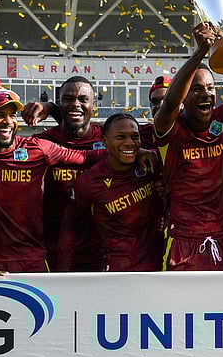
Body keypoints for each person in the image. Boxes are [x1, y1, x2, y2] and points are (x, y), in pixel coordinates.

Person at [0, 87, 108, 273]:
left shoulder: (38, 149)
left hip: (31, 261)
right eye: (0, 115)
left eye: (12, 115)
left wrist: (136, 153)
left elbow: (87, 157)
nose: (8, 122)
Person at [154, 18, 223, 271]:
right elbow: (170, 103)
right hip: (182, 237)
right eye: (196, 89)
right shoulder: (169, 128)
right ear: (184, 95)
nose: (206, 94)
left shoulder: (222, 121)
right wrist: (201, 51)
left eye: (211, 87)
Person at [58, 113, 164, 271]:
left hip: (157, 267)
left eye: (135, 137)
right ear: (105, 141)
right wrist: (63, 273)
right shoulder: (90, 181)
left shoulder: (151, 164)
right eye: (121, 137)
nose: (130, 143)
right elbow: (69, 225)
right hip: (115, 272)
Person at [36, 76, 107, 271]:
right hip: (53, 249)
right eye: (68, 99)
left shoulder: (111, 138)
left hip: (101, 250)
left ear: (94, 104)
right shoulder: (42, 142)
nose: (76, 104)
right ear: (59, 104)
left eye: (83, 99)